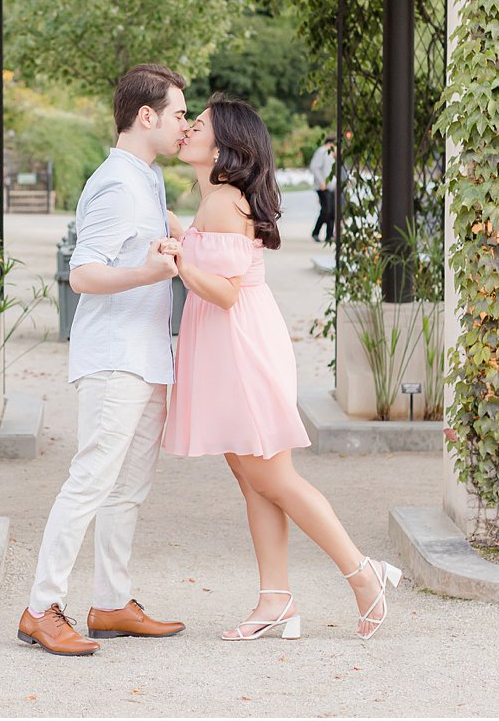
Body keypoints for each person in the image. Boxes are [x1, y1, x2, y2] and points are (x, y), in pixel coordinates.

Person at [162, 95, 401, 642]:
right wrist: (179, 235)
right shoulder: (216, 198)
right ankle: (276, 600)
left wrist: (178, 260)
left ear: (223, 146)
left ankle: (363, 574)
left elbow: (222, 292)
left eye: (196, 125)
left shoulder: (224, 200)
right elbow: (214, 260)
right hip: (231, 345)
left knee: (272, 476)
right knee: (254, 481)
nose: (187, 130)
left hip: (239, 345)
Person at [17, 64, 190, 656]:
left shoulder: (147, 179)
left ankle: (111, 603)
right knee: (90, 481)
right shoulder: (117, 183)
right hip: (115, 357)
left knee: (129, 489)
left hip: (145, 357)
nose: (185, 126)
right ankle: (41, 608)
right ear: (147, 117)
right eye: (178, 115)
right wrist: (150, 271)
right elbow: (82, 273)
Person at [309, 136, 336, 243]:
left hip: (330, 187)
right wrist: (321, 182)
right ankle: (316, 233)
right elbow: (314, 167)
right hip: (323, 187)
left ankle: (329, 235)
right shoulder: (323, 151)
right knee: (326, 211)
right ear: (331, 144)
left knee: (331, 211)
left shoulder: (330, 154)